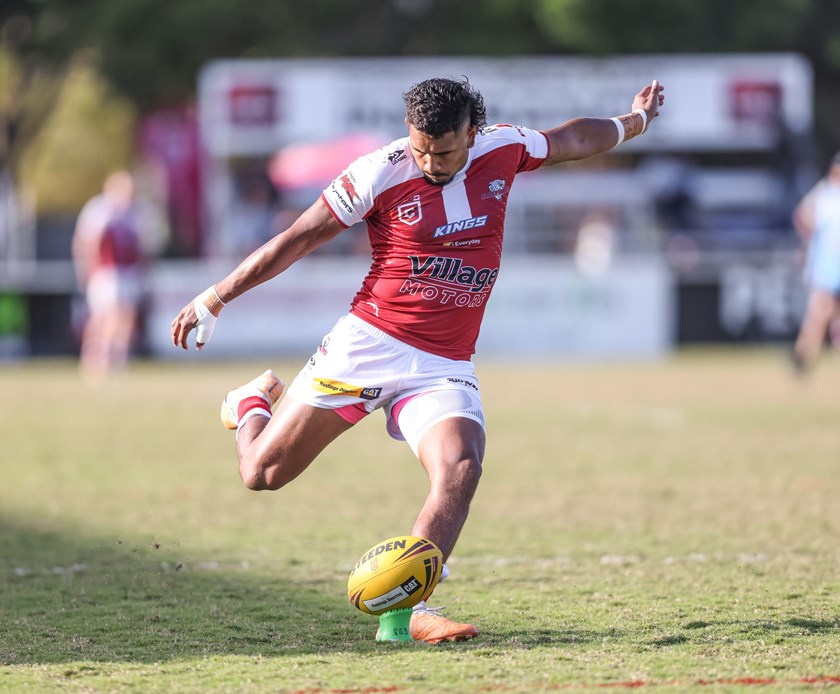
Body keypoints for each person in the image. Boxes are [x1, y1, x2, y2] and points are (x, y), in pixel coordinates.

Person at [171, 77, 665, 643]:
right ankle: (251, 402)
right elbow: (297, 238)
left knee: (461, 465)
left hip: (442, 361)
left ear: (471, 134)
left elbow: (573, 138)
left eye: (445, 150)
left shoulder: (505, 146)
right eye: (420, 149)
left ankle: (409, 615)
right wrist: (215, 297)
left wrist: (636, 123)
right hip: (367, 345)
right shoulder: (377, 172)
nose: (430, 161)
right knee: (261, 474)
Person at [73, 170, 145, 383]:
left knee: (126, 316)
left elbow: (140, 246)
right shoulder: (99, 210)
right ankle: (95, 356)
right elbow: (87, 242)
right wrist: (86, 270)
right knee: (104, 316)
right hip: (106, 271)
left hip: (127, 271)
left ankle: (118, 356)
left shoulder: (135, 212)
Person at [791, 152, 840, 374]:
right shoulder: (825, 195)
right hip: (827, 266)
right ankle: (803, 360)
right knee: (819, 313)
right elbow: (803, 216)